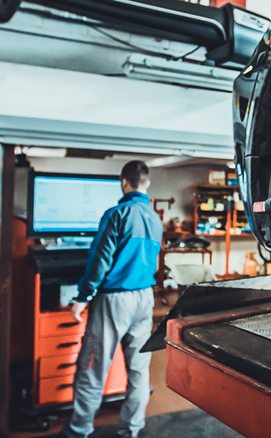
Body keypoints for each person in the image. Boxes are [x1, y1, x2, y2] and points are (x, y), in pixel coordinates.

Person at [63, 160, 163, 438]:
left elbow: (99, 260)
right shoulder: (155, 219)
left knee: (93, 367)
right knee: (139, 371)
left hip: (114, 300)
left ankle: (78, 430)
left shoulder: (117, 214)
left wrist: (83, 295)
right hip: (144, 299)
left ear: (123, 181)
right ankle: (131, 431)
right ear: (147, 183)